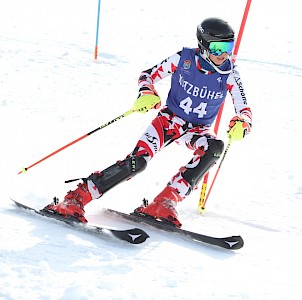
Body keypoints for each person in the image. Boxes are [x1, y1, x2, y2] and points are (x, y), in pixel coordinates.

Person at [46, 17, 252, 228]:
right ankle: (77, 197)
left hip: (198, 130)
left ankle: (165, 201)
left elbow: (245, 109)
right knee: (138, 162)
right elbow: (148, 75)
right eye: (218, 48)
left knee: (214, 147)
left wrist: (242, 123)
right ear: (204, 45)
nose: (224, 54)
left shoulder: (230, 74)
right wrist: (147, 92)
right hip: (169, 122)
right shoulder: (184, 59)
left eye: (229, 47)